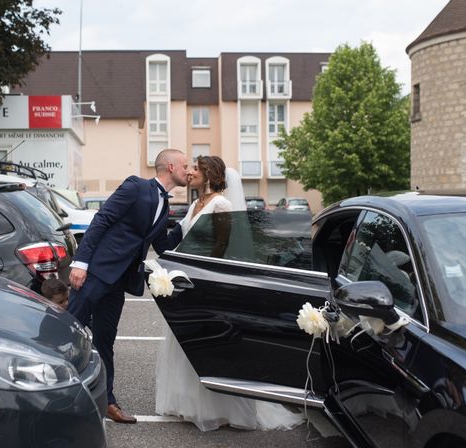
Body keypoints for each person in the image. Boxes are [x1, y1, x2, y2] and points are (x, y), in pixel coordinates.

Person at [155, 155, 304, 432]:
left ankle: (223, 410)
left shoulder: (221, 204)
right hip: (187, 280)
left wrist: (204, 279)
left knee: (210, 345)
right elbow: (182, 239)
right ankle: (193, 405)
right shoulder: (195, 204)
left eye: (195, 169)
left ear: (209, 174)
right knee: (188, 343)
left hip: (205, 282)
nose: (190, 173)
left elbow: (222, 245)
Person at [68, 148, 189, 424]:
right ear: (170, 166)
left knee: (105, 340)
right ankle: (55, 397)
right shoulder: (136, 186)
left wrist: (189, 221)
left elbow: (163, 246)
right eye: (185, 165)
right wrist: (81, 262)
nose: (189, 170)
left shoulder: (164, 205)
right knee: (70, 333)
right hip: (96, 273)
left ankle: (107, 401)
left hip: (119, 281)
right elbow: (102, 219)